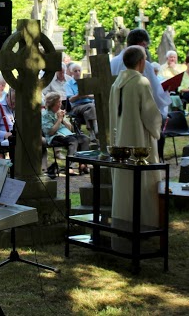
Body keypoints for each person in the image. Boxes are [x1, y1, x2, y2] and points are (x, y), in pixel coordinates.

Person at [108, 46, 162, 228]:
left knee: (125, 184)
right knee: (142, 182)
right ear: (141, 62)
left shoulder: (116, 84)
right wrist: (158, 126)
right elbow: (150, 115)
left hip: (120, 143)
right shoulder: (140, 82)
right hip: (139, 142)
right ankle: (145, 223)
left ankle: (123, 221)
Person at [110, 28, 171, 118]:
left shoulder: (113, 62)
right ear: (142, 44)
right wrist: (165, 93)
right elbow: (156, 95)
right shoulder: (143, 64)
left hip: (116, 113)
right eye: (145, 48)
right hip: (137, 114)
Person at [42, 92, 90, 177]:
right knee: (73, 141)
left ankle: (83, 164)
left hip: (67, 134)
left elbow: (70, 128)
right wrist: (59, 120)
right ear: (52, 103)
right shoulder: (45, 114)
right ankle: (69, 167)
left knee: (85, 138)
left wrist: (63, 119)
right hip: (54, 136)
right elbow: (50, 132)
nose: (61, 104)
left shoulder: (60, 112)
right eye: (58, 102)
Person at [65, 63, 98, 140]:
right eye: (75, 71)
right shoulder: (68, 84)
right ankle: (95, 127)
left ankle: (91, 133)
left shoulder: (85, 82)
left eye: (79, 70)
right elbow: (70, 100)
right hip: (77, 106)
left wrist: (87, 96)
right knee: (91, 106)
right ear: (72, 72)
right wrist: (79, 95)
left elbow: (94, 96)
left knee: (88, 110)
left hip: (89, 104)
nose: (78, 73)